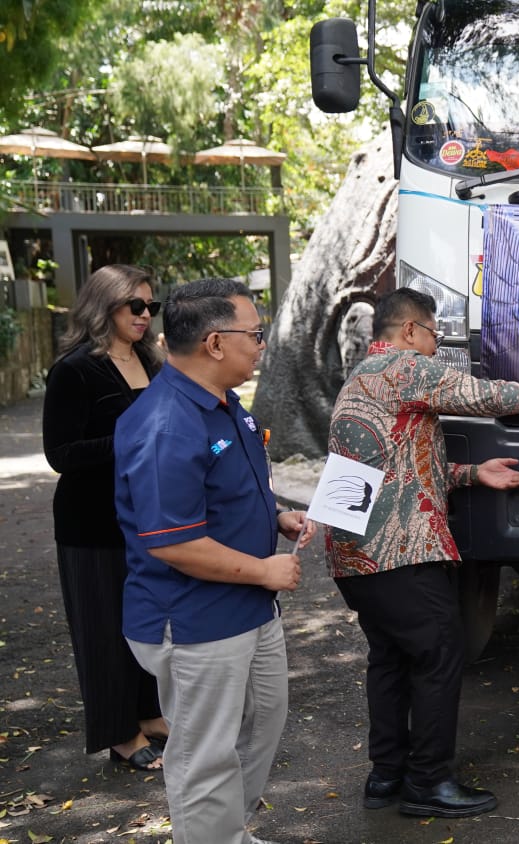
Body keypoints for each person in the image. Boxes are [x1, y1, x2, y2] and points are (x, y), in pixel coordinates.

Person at [325, 288, 519, 819]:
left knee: (391, 659)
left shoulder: (362, 379)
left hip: (357, 556)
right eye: (433, 334)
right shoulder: (404, 368)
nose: (436, 346)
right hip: (398, 552)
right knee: (438, 653)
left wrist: (473, 473)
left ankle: (386, 775)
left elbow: (397, 468)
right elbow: (479, 395)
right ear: (409, 331)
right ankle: (428, 783)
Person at [115, 278, 309, 844]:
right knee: (205, 753)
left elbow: (229, 488)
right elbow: (172, 542)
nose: (262, 344)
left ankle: (226, 832)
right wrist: (266, 570)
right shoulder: (166, 421)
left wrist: (274, 516)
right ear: (216, 343)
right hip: (195, 619)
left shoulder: (228, 405)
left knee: (259, 727)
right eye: (255, 333)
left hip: (248, 609)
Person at [42, 264, 169, 771]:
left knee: (145, 621)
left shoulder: (151, 361)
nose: (144, 315)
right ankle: (120, 734)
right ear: (104, 306)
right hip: (91, 521)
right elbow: (62, 453)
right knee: (103, 629)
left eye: (150, 306)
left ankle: (149, 712)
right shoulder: (74, 370)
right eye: (134, 306)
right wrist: (130, 441)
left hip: (146, 515)